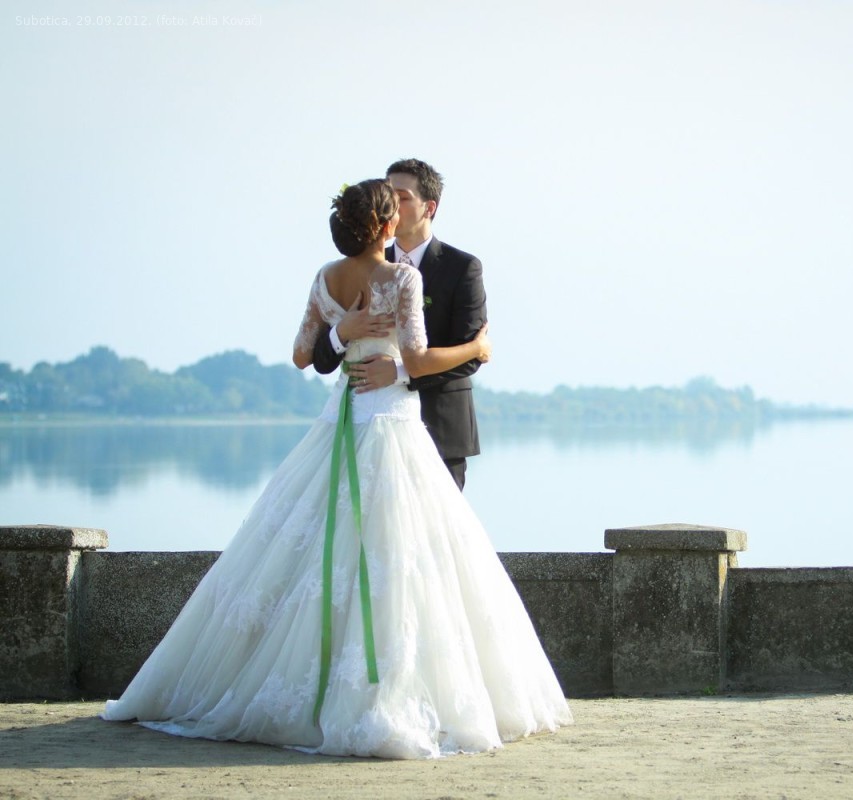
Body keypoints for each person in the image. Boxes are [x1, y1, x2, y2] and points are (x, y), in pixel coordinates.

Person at [101, 179, 572, 758]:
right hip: (391, 425)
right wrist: (477, 347)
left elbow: (302, 354)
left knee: (311, 542)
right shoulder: (403, 278)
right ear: (385, 227)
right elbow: (417, 357)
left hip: (339, 418)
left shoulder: (325, 277)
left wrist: (340, 330)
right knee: (398, 554)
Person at [313, 159, 485, 492]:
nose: (392, 203)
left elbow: (470, 355)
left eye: (402, 197)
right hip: (366, 433)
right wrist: (341, 332)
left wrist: (399, 371)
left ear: (429, 208)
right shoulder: (361, 265)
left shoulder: (463, 268)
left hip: (441, 430)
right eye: (388, 194)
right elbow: (319, 359)